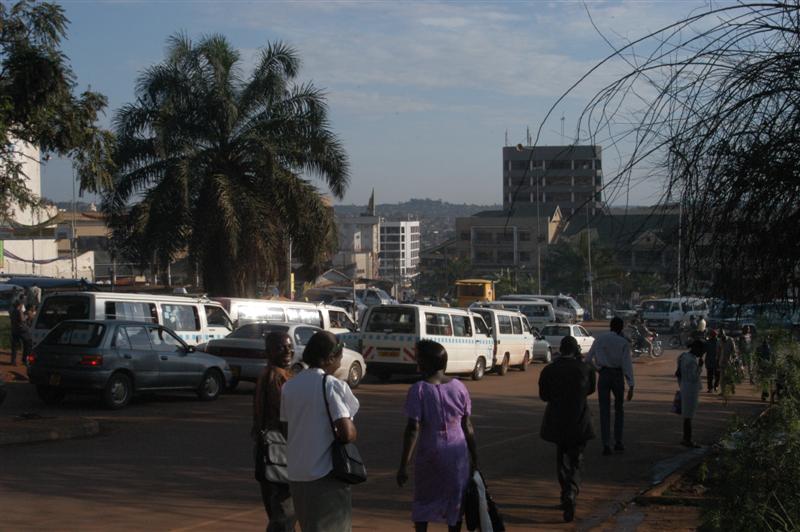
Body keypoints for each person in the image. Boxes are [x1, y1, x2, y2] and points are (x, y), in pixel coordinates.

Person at [280, 331, 359, 532]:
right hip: (325, 474)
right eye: (339, 359)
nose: (340, 364)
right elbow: (347, 433)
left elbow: (285, 425)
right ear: (329, 358)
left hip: (297, 473)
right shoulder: (331, 385)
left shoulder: (290, 386)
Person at [396, 340, 478, 532]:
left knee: (424, 499)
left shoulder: (419, 390)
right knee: (455, 501)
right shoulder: (459, 387)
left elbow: (412, 429)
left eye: (418, 359)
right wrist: (474, 456)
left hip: (429, 452)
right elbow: (467, 425)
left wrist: (403, 465)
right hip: (457, 453)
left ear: (425, 363)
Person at [539, 336, 596, 523]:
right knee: (576, 459)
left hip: (557, 420)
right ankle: (571, 491)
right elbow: (590, 390)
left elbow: (544, 395)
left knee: (562, 458)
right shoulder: (586, 369)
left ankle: (566, 493)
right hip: (579, 419)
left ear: (561, 350)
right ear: (576, 350)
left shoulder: (549, 370)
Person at [252, 332, 296, 532]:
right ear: (268, 352)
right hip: (278, 451)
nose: (288, 351)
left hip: (266, 449)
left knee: (277, 512)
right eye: (281, 348)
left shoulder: (267, 374)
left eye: (289, 346)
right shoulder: (278, 377)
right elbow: (285, 418)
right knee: (284, 514)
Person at [586, 317, 634, 456]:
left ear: (610, 326)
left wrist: (598, 369)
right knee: (619, 409)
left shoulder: (600, 339)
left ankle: (606, 444)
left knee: (604, 410)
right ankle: (618, 442)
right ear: (621, 328)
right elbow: (627, 365)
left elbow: (588, 359)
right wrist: (631, 385)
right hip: (618, 376)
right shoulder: (623, 342)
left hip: (604, 375)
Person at [677, 340, 705, 447]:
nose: (702, 353)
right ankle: (687, 439)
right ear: (696, 349)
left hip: (685, 387)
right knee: (689, 416)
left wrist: (681, 385)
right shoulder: (691, 361)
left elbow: (679, 374)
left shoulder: (683, 357)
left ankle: (686, 438)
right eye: (701, 350)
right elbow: (693, 377)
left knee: (687, 415)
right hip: (690, 390)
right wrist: (700, 367)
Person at [718, 330, 739, 396]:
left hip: (730, 361)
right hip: (722, 361)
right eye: (720, 336)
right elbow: (718, 352)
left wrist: (734, 358)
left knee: (730, 377)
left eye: (722, 335)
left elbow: (734, 350)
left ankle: (732, 388)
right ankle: (723, 392)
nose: (722, 337)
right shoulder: (719, 341)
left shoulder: (730, 340)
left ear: (724, 334)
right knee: (722, 378)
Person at [9, 298, 29, 365]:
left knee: (14, 346)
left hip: (14, 330)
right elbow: (22, 319)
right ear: (20, 305)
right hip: (21, 330)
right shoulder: (19, 311)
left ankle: (13, 360)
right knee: (27, 343)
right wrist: (26, 316)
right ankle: (24, 359)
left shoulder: (12, 311)